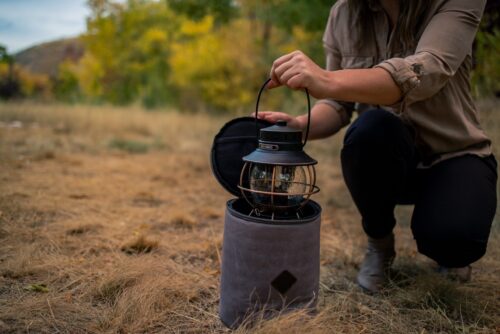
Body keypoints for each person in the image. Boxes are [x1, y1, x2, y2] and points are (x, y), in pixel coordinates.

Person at [257, 0, 497, 293]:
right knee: (369, 129)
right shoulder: (343, 13)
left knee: (455, 240)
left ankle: (447, 243)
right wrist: (297, 125)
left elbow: (426, 71)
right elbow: (337, 105)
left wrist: (327, 79)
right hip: (387, 156)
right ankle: (380, 243)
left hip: (454, 154)